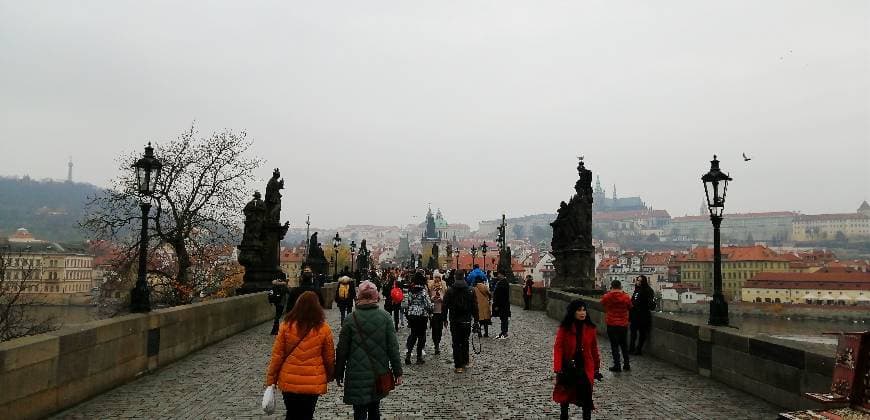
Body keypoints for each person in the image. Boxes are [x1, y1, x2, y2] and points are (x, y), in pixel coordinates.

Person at [335, 281, 404, 420]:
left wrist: (339, 372)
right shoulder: (385, 317)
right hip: (378, 371)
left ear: (358, 297)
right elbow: (393, 348)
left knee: (359, 411)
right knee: (374, 408)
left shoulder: (350, 319)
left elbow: (342, 350)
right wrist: (398, 372)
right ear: (376, 297)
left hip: (356, 373)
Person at [265, 291, 335, 420]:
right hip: (312, 381)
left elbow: (277, 355)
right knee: (307, 415)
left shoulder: (286, 326)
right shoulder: (324, 328)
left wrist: (271, 380)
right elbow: (329, 357)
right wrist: (330, 375)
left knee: (291, 413)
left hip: (289, 380)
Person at [552, 299, 601, 420]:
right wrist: (558, 367)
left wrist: (596, 368)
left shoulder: (590, 328)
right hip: (568, 365)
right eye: (579, 310)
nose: (582, 312)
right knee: (565, 395)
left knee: (586, 397)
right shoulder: (565, 328)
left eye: (584, 310)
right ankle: (564, 416)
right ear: (573, 312)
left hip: (585, 366)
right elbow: (558, 347)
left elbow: (594, 349)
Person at [443, 275, 478, 373]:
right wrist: (476, 320)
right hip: (466, 320)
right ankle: (465, 361)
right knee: (465, 341)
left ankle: (458, 366)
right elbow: (475, 306)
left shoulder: (450, 290)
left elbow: (445, 305)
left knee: (456, 342)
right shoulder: (470, 290)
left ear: (455, 278)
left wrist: (444, 319)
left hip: (454, 320)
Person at [401, 272, 433, 365]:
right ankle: (419, 357)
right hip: (422, 315)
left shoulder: (411, 291)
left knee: (413, 334)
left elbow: (407, 303)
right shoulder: (423, 291)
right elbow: (428, 305)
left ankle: (408, 354)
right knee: (421, 336)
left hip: (412, 315)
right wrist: (432, 307)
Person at [600, 280, 632, 372]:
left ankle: (617, 365)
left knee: (614, 346)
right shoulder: (626, 296)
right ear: (620, 286)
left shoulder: (607, 296)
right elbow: (630, 306)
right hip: (623, 324)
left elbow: (602, 303)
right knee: (624, 345)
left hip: (611, 323)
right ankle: (626, 364)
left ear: (612, 286)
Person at [629, 275, 656, 356]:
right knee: (633, 333)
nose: (638, 282)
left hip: (643, 315)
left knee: (642, 333)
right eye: (638, 280)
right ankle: (631, 348)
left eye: (640, 281)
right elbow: (633, 301)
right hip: (634, 315)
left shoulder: (648, 290)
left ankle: (639, 349)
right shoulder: (636, 289)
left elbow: (650, 303)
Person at [428, 271, 448, 354]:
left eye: (438, 278)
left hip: (441, 311)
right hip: (433, 311)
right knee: (434, 329)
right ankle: (436, 344)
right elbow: (429, 298)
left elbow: (446, 299)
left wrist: (441, 298)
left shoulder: (443, 286)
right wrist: (433, 298)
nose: (436, 279)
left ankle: (438, 343)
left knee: (439, 329)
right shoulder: (431, 287)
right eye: (435, 277)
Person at [492, 273, 511, 339]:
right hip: (503, 304)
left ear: (503, 275)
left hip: (503, 304)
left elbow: (500, 296)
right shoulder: (502, 282)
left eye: (499, 274)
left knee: (504, 318)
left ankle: (504, 332)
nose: (498, 275)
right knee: (503, 318)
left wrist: (497, 305)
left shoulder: (503, 283)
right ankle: (503, 331)